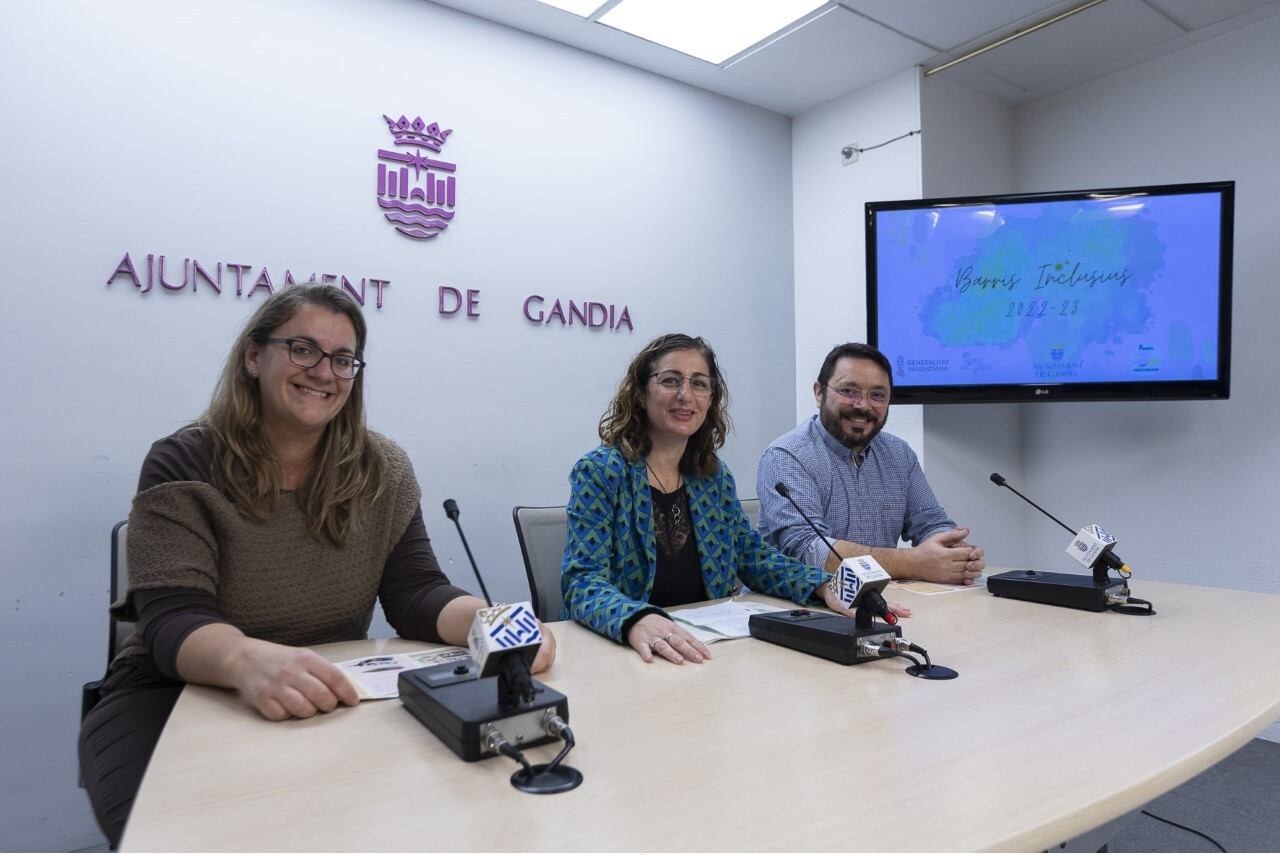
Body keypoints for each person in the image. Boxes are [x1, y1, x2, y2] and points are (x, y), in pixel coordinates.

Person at [78, 285, 555, 847]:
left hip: (327, 694)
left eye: (343, 359)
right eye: (302, 349)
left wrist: (491, 623)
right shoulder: (184, 460)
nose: (323, 372)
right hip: (173, 696)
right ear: (254, 357)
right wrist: (244, 659)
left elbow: (415, 592)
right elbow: (171, 620)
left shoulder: (383, 467)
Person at [561, 333, 908, 665]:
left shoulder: (712, 476)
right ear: (640, 393)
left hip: (706, 648)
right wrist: (635, 619)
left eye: (699, 383)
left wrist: (821, 585)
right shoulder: (601, 471)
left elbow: (752, 558)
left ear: (710, 399)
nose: (686, 395)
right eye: (670, 381)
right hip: (629, 651)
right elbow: (582, 580)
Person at [757, 342, 985, 585]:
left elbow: (931, 523)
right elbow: (808, 550)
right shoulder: (787, 456)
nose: (863, 405)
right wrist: (914, 562)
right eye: (849, 391)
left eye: (877, 395)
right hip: (802, 608)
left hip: (883, 601)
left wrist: (954, 553)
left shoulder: (899, 454)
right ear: (819, 393)